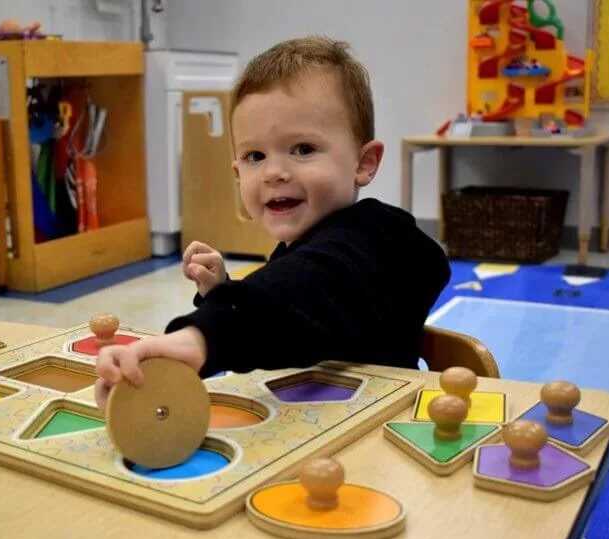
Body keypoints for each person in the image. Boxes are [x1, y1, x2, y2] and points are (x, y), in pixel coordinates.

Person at [95, 36, 450, 409]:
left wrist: (198, 338)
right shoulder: (300, 250)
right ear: (237, 172)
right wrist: (222, 292)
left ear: (364, 163)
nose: (274, 172)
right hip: (315, 419)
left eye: (303, 149)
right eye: (254, 156)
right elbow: (285, 318)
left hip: (378, 431)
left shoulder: (377, 235)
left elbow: (310, 287)